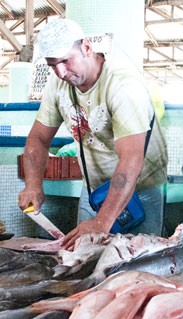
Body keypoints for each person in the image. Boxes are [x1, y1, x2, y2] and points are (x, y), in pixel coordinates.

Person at [18, 18, 168, 250]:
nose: (60, 72)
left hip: (140, 194)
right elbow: (38, 139)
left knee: (135, 272)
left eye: (66, 61)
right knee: (84, 267)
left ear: (87, 48)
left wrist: (101, 222)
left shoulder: (123, 85)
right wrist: (33, 185)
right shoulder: (58, 84)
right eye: (52, 65)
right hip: (94, 193)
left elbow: (131, 159)